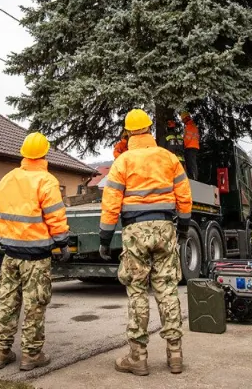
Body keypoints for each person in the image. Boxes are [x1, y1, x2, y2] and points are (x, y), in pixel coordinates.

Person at [100, 109, 192, 376]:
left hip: (135, 231)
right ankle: (175, 355)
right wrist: (183, 226)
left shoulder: (122, 162)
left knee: (138, 291)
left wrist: (105, 238)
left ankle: (137, 358)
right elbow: (183, 194)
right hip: (165, 228)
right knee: (167, 290)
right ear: (150, 129)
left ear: (128, 133)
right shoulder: (169, 158)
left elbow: (111, 203)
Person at [0, 132, 71, 371]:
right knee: (35, 304)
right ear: (44, 154)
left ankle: (0, 352)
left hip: (10, 254)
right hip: (35, 256)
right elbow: (55, 216)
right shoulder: (46, 181)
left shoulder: (7, 179)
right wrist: (63, 243)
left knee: (7, 302)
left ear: (23, 153)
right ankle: (31, 355)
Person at [180, 111, 200, 180]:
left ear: (186, 118)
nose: (183, 121)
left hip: (190, 147)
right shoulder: (194, 126)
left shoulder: (189, 127)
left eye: (183, 120)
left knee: (190, 164)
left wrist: (183, 146)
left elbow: (186, 139)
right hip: (194, 146)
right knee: (192, 163)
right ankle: (194, 177)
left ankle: (193, 177)